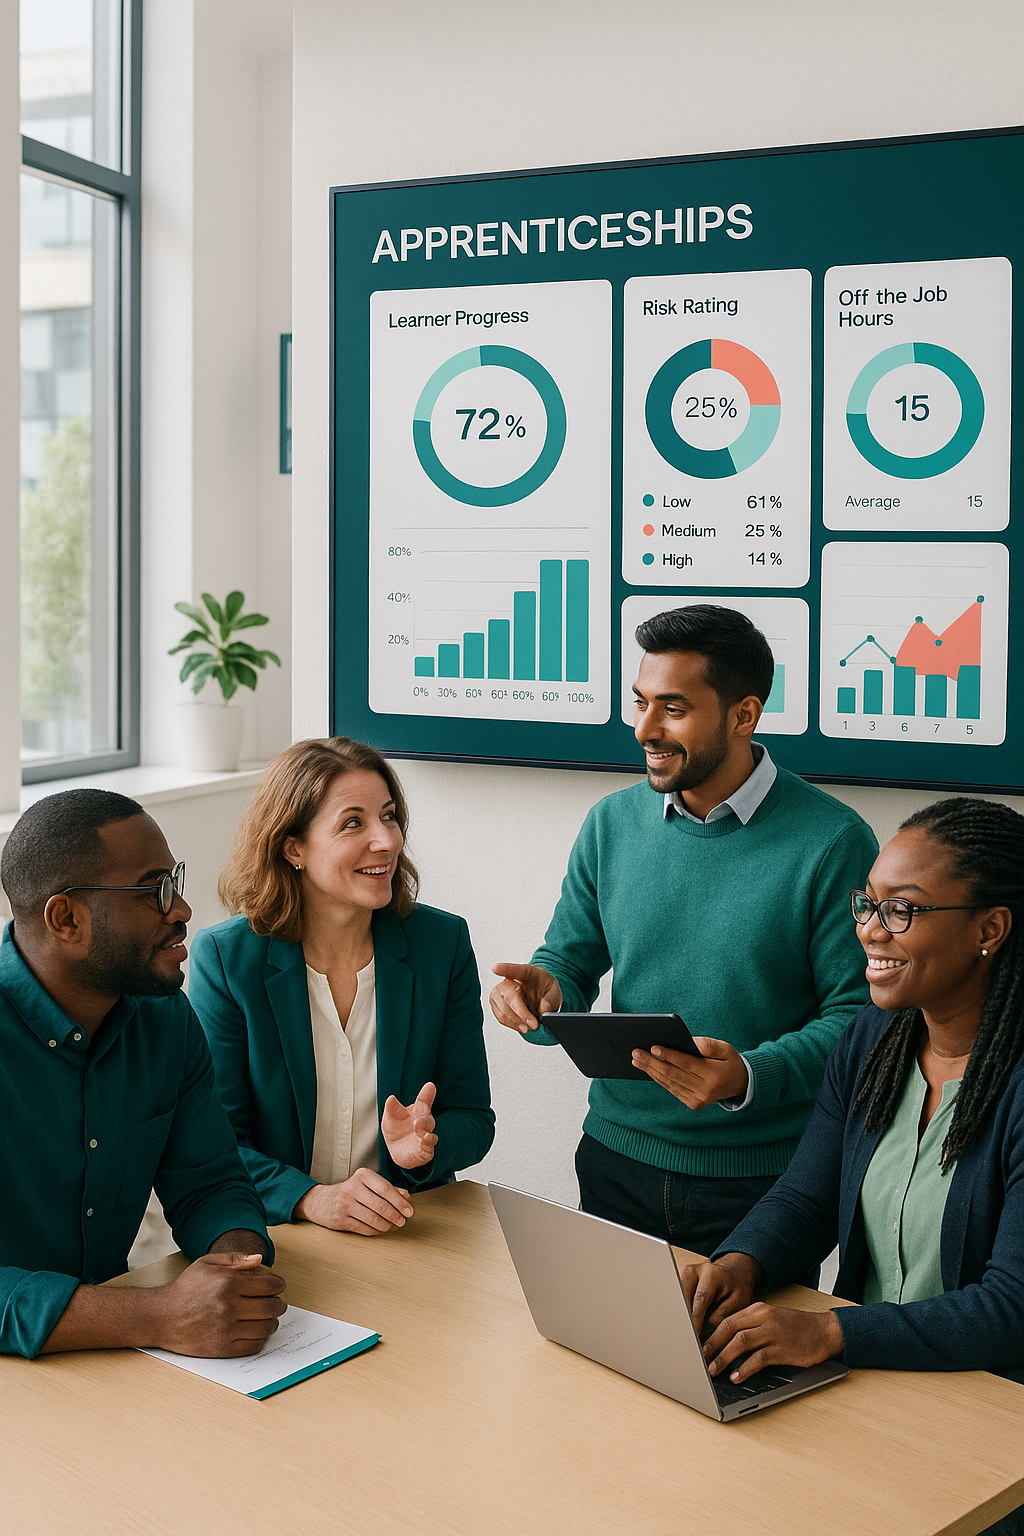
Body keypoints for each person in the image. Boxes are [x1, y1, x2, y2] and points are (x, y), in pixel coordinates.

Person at [681, 796, 1024, 1536]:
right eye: (867, 903)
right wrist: (736, 1266)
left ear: (990, 929)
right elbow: (807, 1197)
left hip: (995, 1426)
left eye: (901, 910)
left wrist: (831, 1334)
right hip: (870, 1395)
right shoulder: (875, 1036)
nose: (869, 929)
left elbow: (1011, 1309)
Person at [490, 604, 878, 1255]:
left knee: (741, 1360)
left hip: (764, 1182)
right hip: (615, 1159)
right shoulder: (610, 825)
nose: (644, 728)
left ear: (743, 715)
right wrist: (544, 993)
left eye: (672, 708)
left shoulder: (835, 841)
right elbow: (570, 962)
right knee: (606, 1354)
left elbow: (862, 1017)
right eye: (640, 702)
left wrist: (747, 1075)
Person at [0, 790, 285, 1361]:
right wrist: (159, 1315)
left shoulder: (164, 1018)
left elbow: (210, 1183)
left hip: (115, 1363)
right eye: (155, 890)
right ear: (67, 918)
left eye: (175, 881)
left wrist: (237, 1269)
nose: (181, 909)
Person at [189, 737, 495, 1234]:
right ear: (294, 848)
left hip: (404, 1228)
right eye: (353, 823)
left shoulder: (442, 943)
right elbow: (212, 1143)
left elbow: (473, 1117)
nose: (388, 841)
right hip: (278, 1232)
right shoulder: (227, 959)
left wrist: (424, 1145)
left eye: (389, 816)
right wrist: (312, 1199)